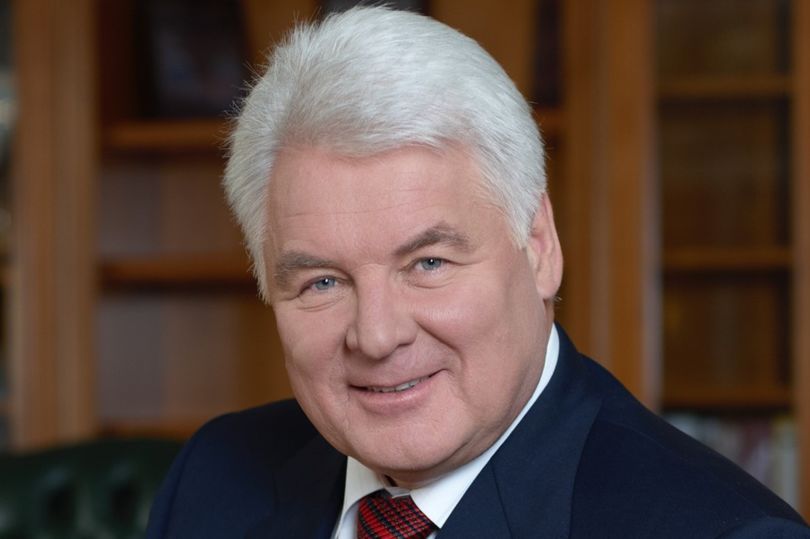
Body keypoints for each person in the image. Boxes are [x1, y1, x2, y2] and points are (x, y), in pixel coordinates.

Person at [146, 6, 810, 538]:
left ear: (539, 246)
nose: (376, 336)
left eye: (427, 263)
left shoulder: (721, 530)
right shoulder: (214, 480)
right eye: (323, 281)